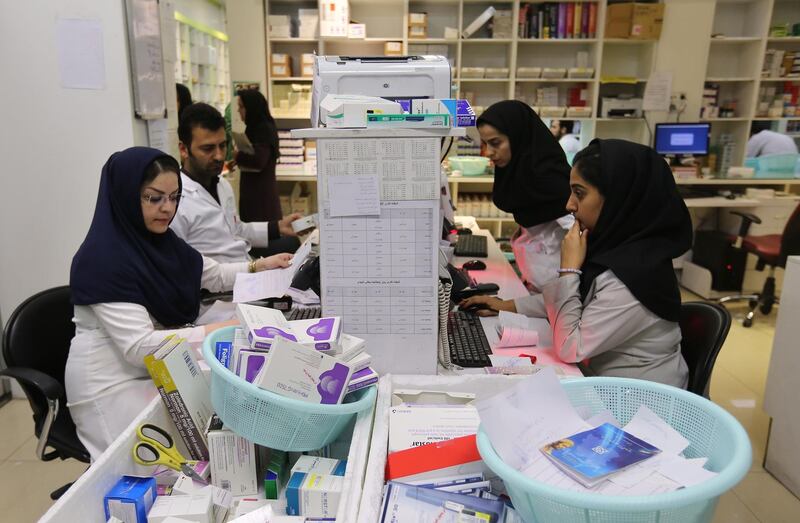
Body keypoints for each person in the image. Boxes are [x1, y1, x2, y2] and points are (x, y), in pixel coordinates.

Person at [66, 147, 291, 460]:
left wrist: (258, 267)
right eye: (153, 198)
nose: (166, 209)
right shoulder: (101, 259)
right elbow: (137, 347)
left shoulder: (159, 242)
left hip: (152, 368)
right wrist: (219, 330)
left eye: (174, 197)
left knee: (211, 420)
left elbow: (211, 274)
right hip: (109, 384)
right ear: (125, 195)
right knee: (149, 467)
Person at [461, 139, 692, 388]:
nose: (569, 204)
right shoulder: (619, 248)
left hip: (638, 402)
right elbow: (580, 297)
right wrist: (506, 305)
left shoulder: (636, 276)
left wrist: (569, 270)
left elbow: (571, 346)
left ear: (617, 197)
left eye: (579, 193)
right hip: (604, 380)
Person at [170, 103, 302, 263]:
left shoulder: (221, 185)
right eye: (208, 148)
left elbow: (236, 230)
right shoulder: (175, 201)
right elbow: (183, 267)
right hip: (220, 284)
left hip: (244, 267)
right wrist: (256, 267)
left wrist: (278, 227)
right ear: (184, 150)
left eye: (222, 146)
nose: (219, 156)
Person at [477, 100, 574, 292]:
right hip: (537, 286)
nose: (488, 152)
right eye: (485, 143)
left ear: (518, 137)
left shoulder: (549, 178)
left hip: (561, 293)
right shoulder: (519, 173)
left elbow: (579, 234)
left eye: (496, 143)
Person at [232, 89, 283, 223]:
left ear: (251, 107)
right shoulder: (253, 127)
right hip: (254, 192)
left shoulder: (263, 129)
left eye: (241, 107)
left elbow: (259, 160)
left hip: (260, 196)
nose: (239, 111)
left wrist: (238, 156)